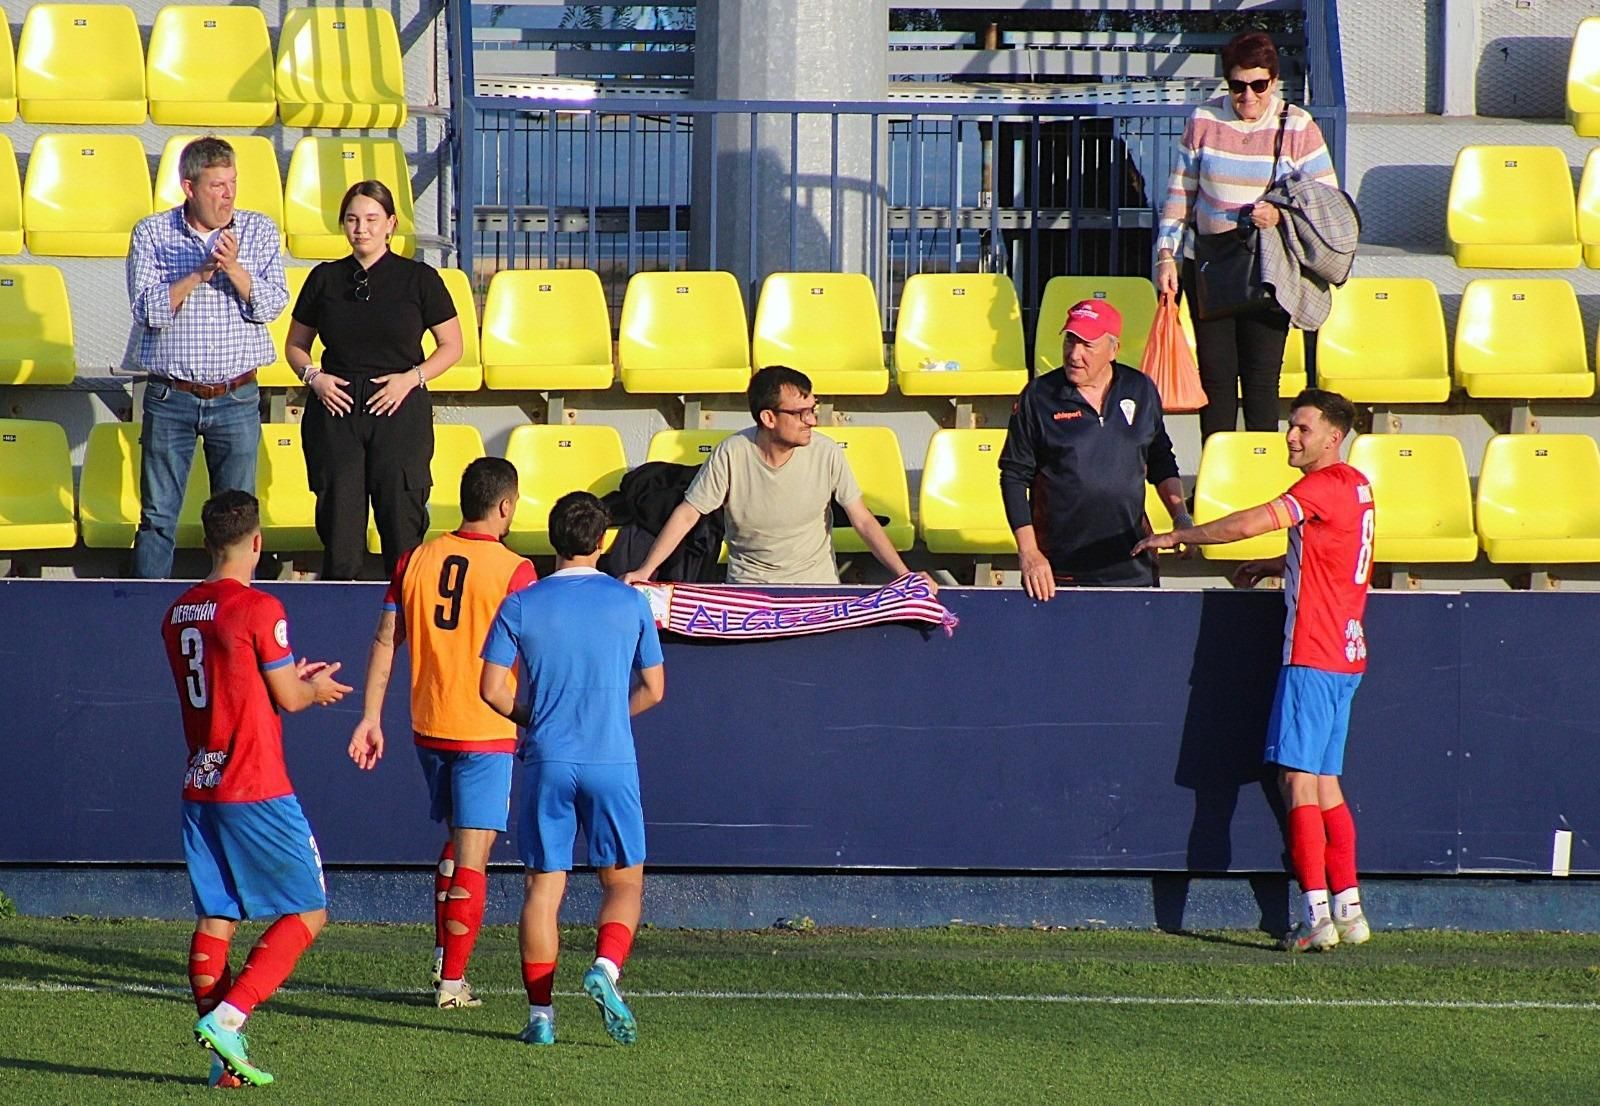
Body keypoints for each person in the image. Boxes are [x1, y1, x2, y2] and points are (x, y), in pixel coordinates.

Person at [1133, 389, 1373, 953]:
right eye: (1292, 426)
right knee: (1325, 784)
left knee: (1295, 783)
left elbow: (1248, 524)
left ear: (1332, 437)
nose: (1292, 436)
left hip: (1313, 654)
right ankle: (1350, 909)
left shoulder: (1317, 487)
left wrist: (1179, 534)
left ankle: (1316, 916)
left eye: (1303, 429)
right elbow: (1336, 549)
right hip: (1347, 651)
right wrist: (1278, 565)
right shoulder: (1357, 486)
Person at [160, 490, 351, 1087]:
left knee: (217, 915)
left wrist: (286, 679)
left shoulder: (179, 611)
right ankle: (231, 1015)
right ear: (258, 541)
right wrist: (309, 689)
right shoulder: (260, 607)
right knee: (309, 911)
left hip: (202, 780)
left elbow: (232, 680)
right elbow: (289, 700)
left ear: (207, 541)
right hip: (254, 781)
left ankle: (223, 1067)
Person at [348, 457, 537, 1008]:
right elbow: (534, 649)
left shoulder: (415, 558)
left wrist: (370, 715)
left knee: (456, 846)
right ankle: (452, 984)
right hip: (485, 726)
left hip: (428, 725)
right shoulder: (515, 570)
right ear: (504, 505)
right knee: (474, 857)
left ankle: (441, 957)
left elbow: (386, 639)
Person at [480, 491, 666, 1048]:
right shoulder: (629, 602)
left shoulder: (522, 603)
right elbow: (655, 689)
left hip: (548, 756)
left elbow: (490, 688)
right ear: (604, 541)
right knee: (625, 882)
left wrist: (534, 719)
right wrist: (611, 711)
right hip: (611, 756)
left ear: (551, 540)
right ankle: (606, 969)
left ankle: (541, 1019)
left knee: (543, 887)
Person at [1155, 31, 1338, 442]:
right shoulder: (1204, 120)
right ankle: (1216, 483)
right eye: (1238, 86)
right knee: (1216, 383)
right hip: (1210, 265)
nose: (1248, 96)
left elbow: (1325, 201)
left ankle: (1261, 485)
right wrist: (1165, 256)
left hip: (1269, 268)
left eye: (1259, 85)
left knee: (1260, 383)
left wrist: (1280, 213)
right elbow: (1179, 196)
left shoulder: (1297, 125)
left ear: (1274, 82)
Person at [285, 180, 463, 581]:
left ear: (390, 224)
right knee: (340, 529)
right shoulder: (325, 279)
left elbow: (452, 345)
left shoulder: (419, 278)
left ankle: (404, 625)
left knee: (402, 523)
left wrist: (409, 380)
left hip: (399, 409)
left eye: (370, 219)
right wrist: (314, 378)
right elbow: (296, 345)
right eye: (352, 219)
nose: (360, 228)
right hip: (337, 409)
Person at [127, 136, 289, 579]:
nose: (228, 194)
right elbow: (146, 311)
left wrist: (235, 269)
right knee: (158, 516)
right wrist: (200, 273)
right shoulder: (153, 233)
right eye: (217, 185)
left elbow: (273, 306)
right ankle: (147, 612)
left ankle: (233, 610)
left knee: (237, 520)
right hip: (170, 395)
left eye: (232, 182)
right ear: (189, 186)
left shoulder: (258, 230)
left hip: (236, 396)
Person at [622, 365, 935, 590]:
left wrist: (904, 576)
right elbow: (689, 513)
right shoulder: (731, 453)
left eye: (813, 409)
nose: (812, 420)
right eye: (801, 414)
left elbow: (863, 521)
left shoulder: (827, 453)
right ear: (768, 418)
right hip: (750, 593)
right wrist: (647, 570)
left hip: (818, 591)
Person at [999, 299, 1190, 596]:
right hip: (1059, 571)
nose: (1074, 354)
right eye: (1070, 341)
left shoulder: (1140, 389)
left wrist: (1181, 517)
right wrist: (1029, 552)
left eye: (1088, 345)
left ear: (1113, 349)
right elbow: (1013, 476)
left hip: (1131, 564)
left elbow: (1161, 458)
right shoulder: (1039, 396)